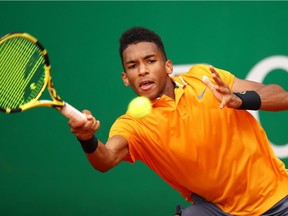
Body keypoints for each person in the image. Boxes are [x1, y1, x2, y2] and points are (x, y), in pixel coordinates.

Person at [69, 26, 288, 215]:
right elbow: (105, 160)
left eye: (150, 61)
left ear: (168, 67)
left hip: (277, 197)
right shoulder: (132, 124)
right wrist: (86, 138)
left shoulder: (204, 79)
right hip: (219, 209)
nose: (143, 70)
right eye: (133, 66)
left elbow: (281, 95)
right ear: (125, 78)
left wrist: (239, 100)